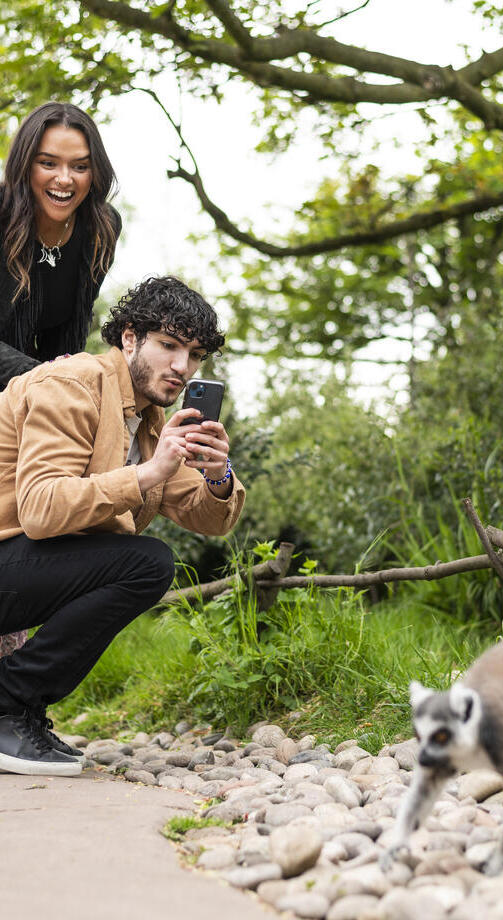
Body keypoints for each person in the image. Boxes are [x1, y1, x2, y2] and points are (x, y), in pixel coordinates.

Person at [0, 275, 245, 777]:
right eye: (168, 345)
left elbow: (206, 517)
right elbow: (42, 509)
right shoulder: (70, 384)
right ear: (129, 338)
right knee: (145, 561)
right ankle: (7, 705)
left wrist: (218, 474)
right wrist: (147, 473)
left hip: (18, 569)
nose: (182, 367)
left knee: (147, 561)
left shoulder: (151, 421)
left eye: (195, 354)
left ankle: (19, 709)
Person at [0, 101, 121, 657]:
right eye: (49, 163)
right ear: (26, 165)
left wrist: (72, 395)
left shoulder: (100, 229)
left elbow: (71, 331)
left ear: (95, 170)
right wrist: (52, 381)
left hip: (27, 387)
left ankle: (13, 690)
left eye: (79, 165)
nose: (64, 179)